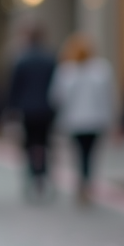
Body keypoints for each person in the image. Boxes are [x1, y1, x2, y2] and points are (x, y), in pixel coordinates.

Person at [49, 34, 115, 206]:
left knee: (79, 153)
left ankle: (82, 183)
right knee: (90, 154)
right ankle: (87, 183)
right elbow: (107, 97)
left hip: (75, 121)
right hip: (94, 120)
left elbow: (57, 98)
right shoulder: (100, 70)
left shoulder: (67, 71)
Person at [7, 23, 58, 199]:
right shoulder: (50, 58)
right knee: (44, 143)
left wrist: (12, 108)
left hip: (27, 109)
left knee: (29, 143)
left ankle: (31, 175)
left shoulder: (22, 59)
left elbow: (15, 86)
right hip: (46, 108)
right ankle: (42, 175)